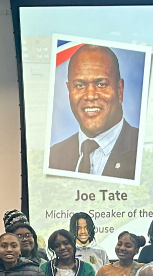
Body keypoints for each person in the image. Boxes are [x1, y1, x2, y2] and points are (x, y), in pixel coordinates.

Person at [48, 44, 139, 180]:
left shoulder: (141, 150)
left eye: (101, 84)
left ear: (120, 90)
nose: (90, 96)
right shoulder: (53, 156)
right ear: (69, 90)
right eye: (79, 85)